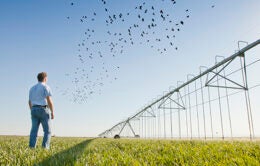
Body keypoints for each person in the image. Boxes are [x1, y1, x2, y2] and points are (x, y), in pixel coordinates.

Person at [28, 72, 54, 149]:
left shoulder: (32, 88)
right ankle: (44, 148)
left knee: (34, 131)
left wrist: (32, 110)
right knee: (47, 131)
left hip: (33, 109)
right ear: (45, 78)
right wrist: (52, 112)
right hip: (43, 109)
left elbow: (29, 101)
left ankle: (32, 147)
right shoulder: (46, 87)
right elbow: (49, 100)